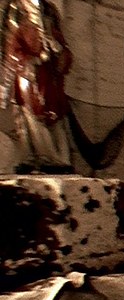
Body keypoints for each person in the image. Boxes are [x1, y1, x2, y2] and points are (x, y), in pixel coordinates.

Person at [1, 0, 75, 174]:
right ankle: (35, 158)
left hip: (48, 85)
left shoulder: (53, 34)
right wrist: (31, 61)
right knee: (29, 120)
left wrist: (57, 52)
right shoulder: (20, 26)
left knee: (52, 121)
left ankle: (56, 159)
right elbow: (14, 52)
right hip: (28, 81)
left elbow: (65, 57)